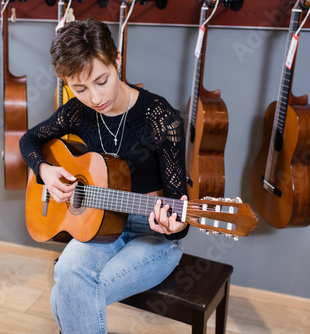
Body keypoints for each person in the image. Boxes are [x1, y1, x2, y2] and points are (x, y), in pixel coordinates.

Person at [19, 17, 189, 334]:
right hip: (101, 226)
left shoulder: (160, 117)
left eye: (102, 80)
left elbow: (179, 216)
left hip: (150, 235)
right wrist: (45, 171)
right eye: (79, 88)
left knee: (67, 289)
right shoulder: (77, 112)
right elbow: (29, 140)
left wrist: (175, 225)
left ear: (117, 60)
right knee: (70, 279)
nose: (95, 98)